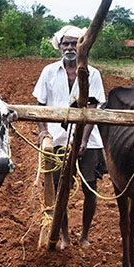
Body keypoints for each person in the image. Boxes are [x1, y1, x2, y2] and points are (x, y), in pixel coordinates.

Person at [32, 25, 106, 249]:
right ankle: (64, 236)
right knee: (58, 187)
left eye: (75, 43)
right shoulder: (49, 72)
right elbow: (40, 105)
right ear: (60, 47)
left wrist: (82, 140)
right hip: (57, 141)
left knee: (89, 187)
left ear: (81, 46)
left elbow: (93, 110)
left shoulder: (93, 74)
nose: (70, 47)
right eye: (66, 43)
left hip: (89, 142)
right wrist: (43, 131)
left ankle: (84, 235)